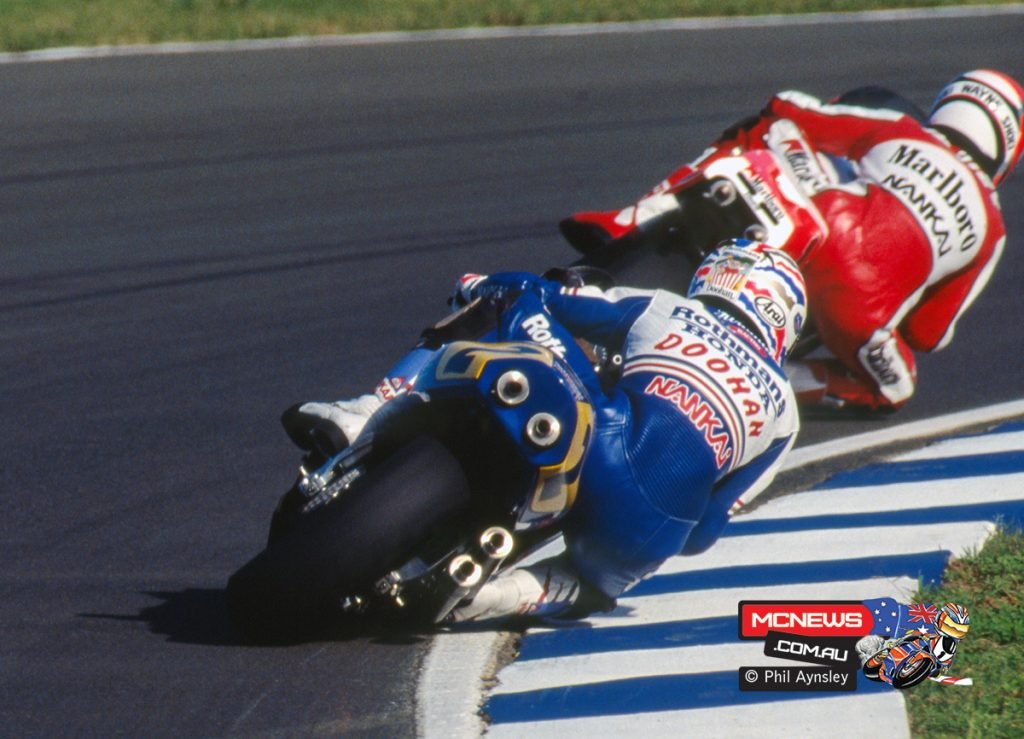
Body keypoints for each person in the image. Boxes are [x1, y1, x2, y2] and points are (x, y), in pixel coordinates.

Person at [286, 239, 806, 621]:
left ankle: (365, 413)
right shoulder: (785, 412)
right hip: (650, 531)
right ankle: (491, 596)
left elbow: (550, 298)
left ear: (720, 276)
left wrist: (485, 285)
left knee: (508, 301)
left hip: (602, 436)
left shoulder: (670, 307)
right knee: (596, 588)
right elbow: (704, 535)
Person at [561, 70, 1023, 413]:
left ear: (949, 103)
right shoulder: (993, 231)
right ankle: (771, 387)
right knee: (894, 390)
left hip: (818, 223)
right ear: (1008, 148)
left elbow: (789, 106)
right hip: (856, 317)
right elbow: (928, 334)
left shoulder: (904, 129)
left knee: (765, 130)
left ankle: (632, 217)